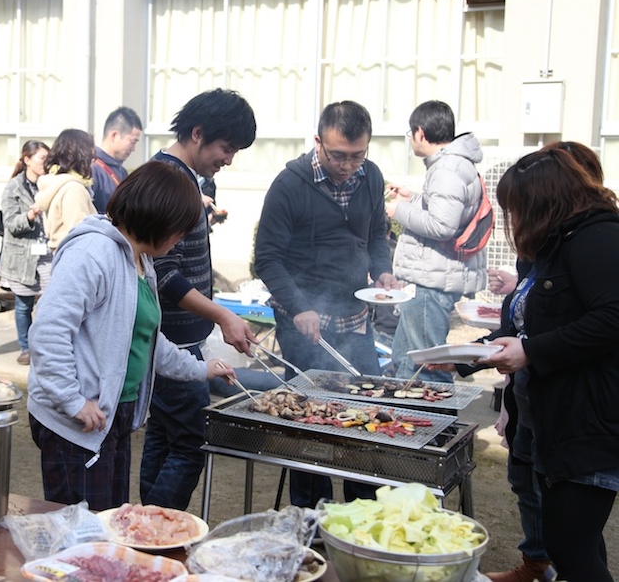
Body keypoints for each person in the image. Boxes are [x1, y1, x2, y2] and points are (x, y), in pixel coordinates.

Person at [27, 161, 236, 510]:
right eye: (179, 231)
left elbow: (149, 340)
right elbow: (48, 332)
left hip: (111, 414)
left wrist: (202, 369)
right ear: (158, 219)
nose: (180, 240)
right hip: (76, 420)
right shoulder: (92, 253)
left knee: (112, 522)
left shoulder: (141, 261)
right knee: (83, 531)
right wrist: (72, 400)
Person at [475, 147, 619, 582]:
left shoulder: (598, 238)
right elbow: (534, 323)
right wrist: (471, 356)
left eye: (517, 208)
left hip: (591, 417)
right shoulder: (557, 242)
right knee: (577, 541)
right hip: (560, 413)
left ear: (544, 202)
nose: (513, 220)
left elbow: (612, 318)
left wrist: (532, 352)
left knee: (569, 546)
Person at [254, 100, 397, 508]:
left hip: (355, 317)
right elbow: (267, 258)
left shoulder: (371, 176)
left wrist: (382, 271)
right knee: (310, 419)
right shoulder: (290, 185)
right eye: (338, 155)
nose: (348, 165)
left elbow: (376, 235)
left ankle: (361, 510)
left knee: (365, 412)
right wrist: (299, 306)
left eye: (357, 155)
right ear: (318, 142)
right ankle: (311, 517)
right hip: (302, 321)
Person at [139, 88, 258, 511]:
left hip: (175, 339)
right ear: (197, 133)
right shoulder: (171, 181)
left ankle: (146, 522)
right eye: (227, 148)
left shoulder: (184, 177)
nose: (229, 159)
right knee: (192, 441)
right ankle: (156, 528)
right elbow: (164, 273)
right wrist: (222, 315)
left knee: (163, 435)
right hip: (172, 343)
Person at [385, 101, 487, 384]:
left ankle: (437, 413)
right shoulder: (453, 164)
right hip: (432, 278)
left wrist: (399, 211)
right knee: (406, 362)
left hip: (431, 283)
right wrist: (412, 198)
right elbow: (446, 210)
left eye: (411, 134)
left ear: (420, 133)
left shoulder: (446, 168)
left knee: (426, 369)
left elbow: (442, 226)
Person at [0, 140, 51, 366]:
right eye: (42, 158)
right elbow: (10, 223)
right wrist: (30, 216)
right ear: (27, 160)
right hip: (22, 256)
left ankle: (44, 346)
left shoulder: (50, 183)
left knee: (49, 302)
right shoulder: (14, 187)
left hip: (47, 253)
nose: (45, 164)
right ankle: (25, 348)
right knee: (23, 305)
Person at [34, 129, 96, 250]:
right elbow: (80, 234)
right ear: (81, 155)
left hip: (62, 253)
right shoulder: (73, 188)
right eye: (91, 156)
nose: (93, 161)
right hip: (75, 255)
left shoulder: (56, 183)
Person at [91, 106, 143, 213]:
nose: (133, 149)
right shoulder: (92, 169)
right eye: (132, 142)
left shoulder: (122, 171)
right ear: (114, 136)